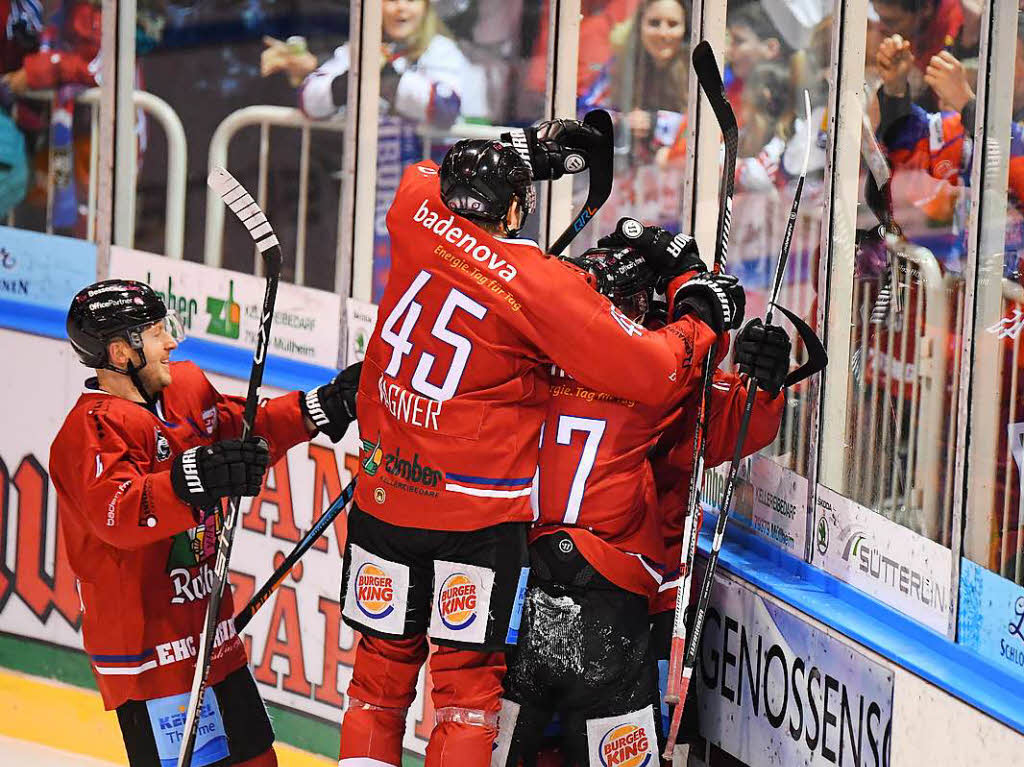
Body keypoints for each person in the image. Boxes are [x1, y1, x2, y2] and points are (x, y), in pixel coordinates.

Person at [336, 124, 746, 766]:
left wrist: (525, 149)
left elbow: (427, 174)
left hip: (385, 492)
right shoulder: (543, 284)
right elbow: (652, 368)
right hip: (471, 519)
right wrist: (699, 315)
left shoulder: (413, 208)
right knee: (467, 696)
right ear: (518, 209)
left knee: (375, 686)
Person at [49, 279, 359, 767]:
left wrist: (320, 408)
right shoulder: (88, 433)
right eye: (155, 334)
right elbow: (120, 513)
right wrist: (189, 480)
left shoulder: (188, 387)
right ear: (120, 351)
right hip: (150, 655)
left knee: (259, 761)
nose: (171, 342)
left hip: (212, 633)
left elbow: (246, 431)